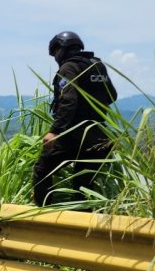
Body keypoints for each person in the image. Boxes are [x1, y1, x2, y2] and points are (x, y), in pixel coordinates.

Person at [33, 31, 118, 207]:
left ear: (60, 49)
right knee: (83, 185)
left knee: (42, 170)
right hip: (99, 136)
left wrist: (55, 131)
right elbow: (112, 95)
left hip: (73, 135)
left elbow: (68, 101)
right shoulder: (97, 65)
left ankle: (42, 212)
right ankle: (81, 219)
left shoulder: (69, 67)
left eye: (55, 53)